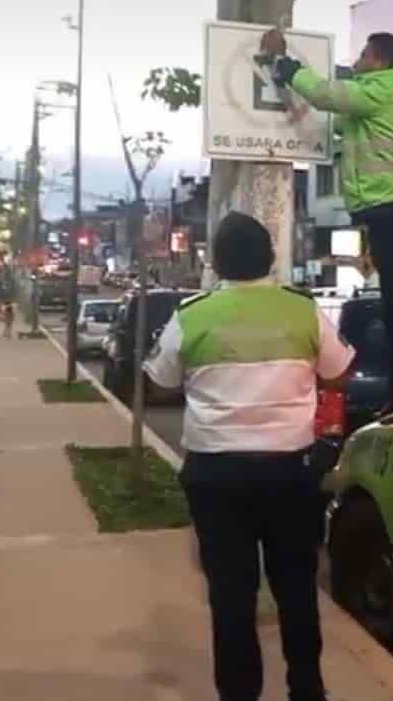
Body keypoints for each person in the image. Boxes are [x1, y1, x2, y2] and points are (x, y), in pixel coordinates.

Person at [144, 211, 355, 701]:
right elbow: (340, 373)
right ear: (271, 258)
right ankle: (307, 687)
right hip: (290, 473)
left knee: (232, 597)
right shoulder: (302, 311)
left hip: (216, 478)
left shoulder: (192, 314)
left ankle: (239, 694)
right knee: (297, 586)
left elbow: (158, 383)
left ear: (216, 263)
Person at [261, 27, 393, 413]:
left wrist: (287, 66)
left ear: (377, 60)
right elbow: (331, 118)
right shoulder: (381, 101)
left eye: (361, 55)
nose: (355, 62)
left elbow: (326, 94)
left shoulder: (382, 91)